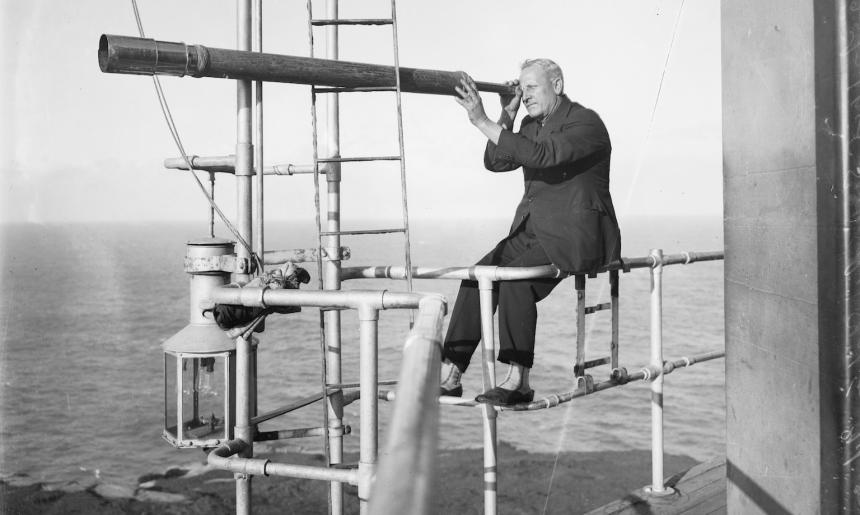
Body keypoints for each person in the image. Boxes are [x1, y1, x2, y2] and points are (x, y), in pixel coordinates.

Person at [440, 58, 621, 406]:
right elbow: (496, 161)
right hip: (534, 229)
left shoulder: (585, 122)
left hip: (575, 233)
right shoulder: (528, 124)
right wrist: (505, 115)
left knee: (516, 280)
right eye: (521, 89)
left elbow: (541, 156)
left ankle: (518, 381)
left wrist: (480, 120)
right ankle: (452, 374)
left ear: (558, 84)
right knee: (476, 276)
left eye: (532, 87)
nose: (525, 95)